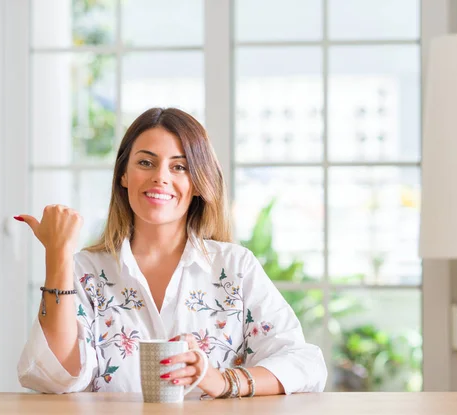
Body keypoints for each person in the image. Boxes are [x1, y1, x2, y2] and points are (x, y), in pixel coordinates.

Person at [16, 107, 327, 398]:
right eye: (145, 162)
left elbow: (304, 362)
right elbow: (54, 378)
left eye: (179, 166)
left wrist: (220, 380)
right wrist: (58, 255)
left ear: (197, 183)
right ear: (123, 175)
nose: (160, 177)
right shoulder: (86, 269)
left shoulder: (234, 267)